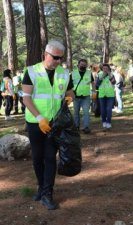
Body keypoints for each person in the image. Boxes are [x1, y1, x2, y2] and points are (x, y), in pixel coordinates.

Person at [22, 40, 75, 210]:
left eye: (61, 58)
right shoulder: (31, 71)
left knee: (50, 157)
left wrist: (69, 99)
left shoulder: (65, 73)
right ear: (46, 54)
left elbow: (69, 92)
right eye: (56, 57)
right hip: (35, 122)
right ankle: (41, 186)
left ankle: (47, 193)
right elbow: (26, 98)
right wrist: (39, 118)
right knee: (37, 158)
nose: (59, 61)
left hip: (55, 124)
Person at [71, 59, 95, 134]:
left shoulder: (89, 73)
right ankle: (76, 127)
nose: (83, 66)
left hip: (86, 96)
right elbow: (69, 85)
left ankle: (86, 127)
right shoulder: (73, 73)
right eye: (82, 64)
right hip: (76, 96)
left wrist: (94, 91)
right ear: (78, 65)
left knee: (86, 113)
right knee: (76, 113)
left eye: (84, 65)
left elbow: (93, 82)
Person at [97, 63, 116, 129]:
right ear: (102, 69)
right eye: (104, 68)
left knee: (109, 109)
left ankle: (109, 122)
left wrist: (110, 76)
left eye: (106, 68)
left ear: (108, 69)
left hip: (110, 95)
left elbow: (114, 82)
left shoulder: (111, 74)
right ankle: (104, 121)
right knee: (103, 109)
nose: (105, 70)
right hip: (102, 95)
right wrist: (101, 78)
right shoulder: (99, 74)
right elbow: (97, 84)